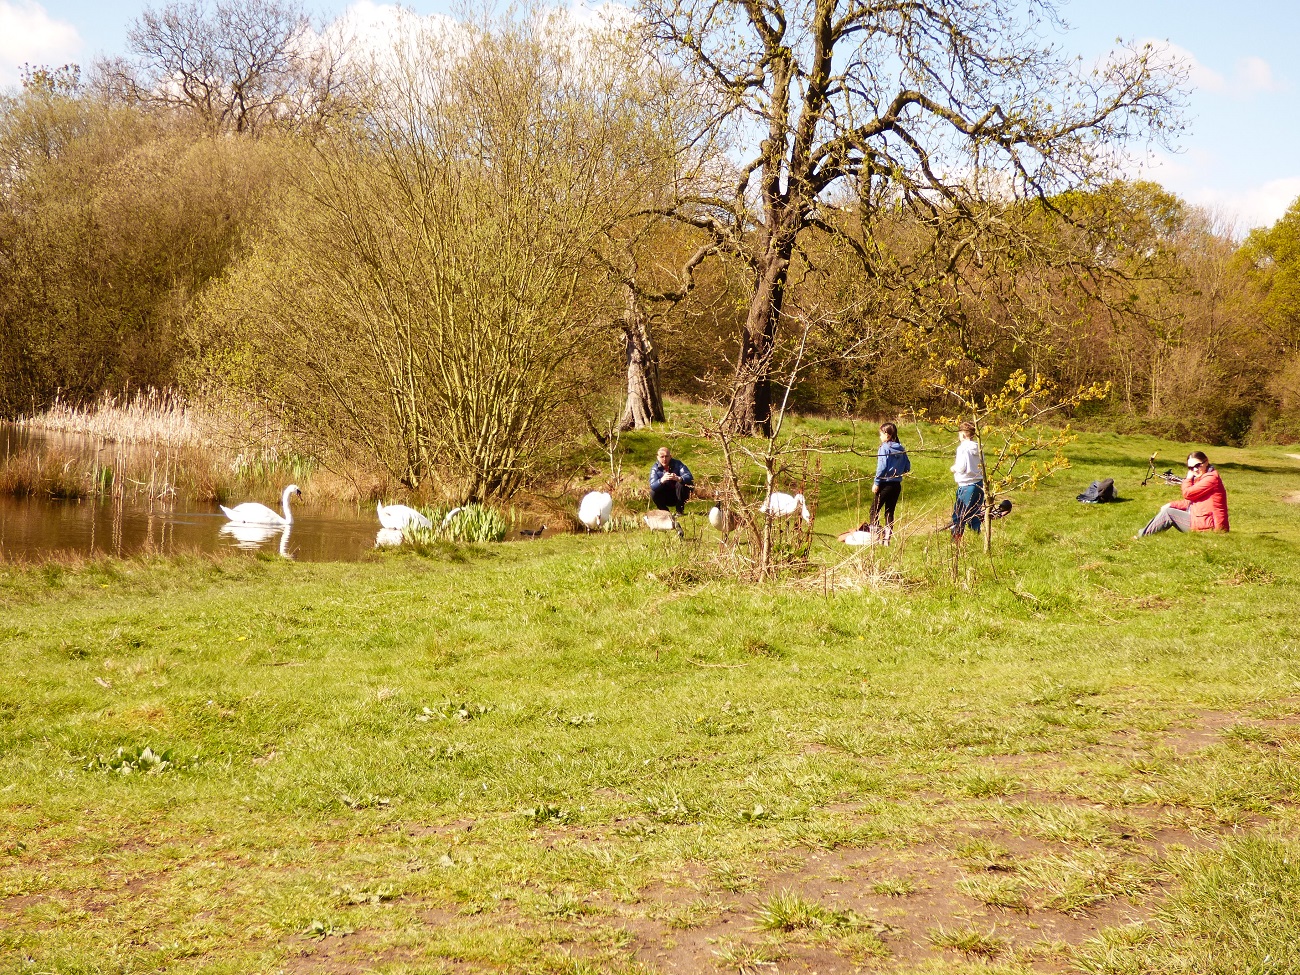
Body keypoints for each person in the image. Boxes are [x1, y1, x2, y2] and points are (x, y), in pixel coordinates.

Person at [1136, 451, 1229, 537]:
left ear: (1206, 462)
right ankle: (1143, 535)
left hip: (1211, 527)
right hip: (1205, 522)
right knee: (1168, 510)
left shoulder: (1211, 479)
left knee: (1168, 514)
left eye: (1198, 465)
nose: (1195, 469)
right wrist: (1171, 504)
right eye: (1191, 468)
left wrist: (1188, 479)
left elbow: (1188, 494)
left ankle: (1141, 537)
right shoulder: (1203, 477)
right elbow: (1191, 502)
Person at [869, 421, 910, 543]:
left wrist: (876, 482)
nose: (880, 437)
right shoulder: (901, 448)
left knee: (874, 510)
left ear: (887, 435)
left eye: (881, 434)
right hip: (896, 485)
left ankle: (876, 537)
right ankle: (887, 539)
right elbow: (908, 467)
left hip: (884, 483)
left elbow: (881, 467)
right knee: (889, 512)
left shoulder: (884, 448)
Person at [950, 421, 984, 539]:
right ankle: (976, 538)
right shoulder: (979, 447)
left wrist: (953, 469)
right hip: (979, 484)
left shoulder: (962, 448)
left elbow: (961, 467)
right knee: (974, 514)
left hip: (966, 485)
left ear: (963, 435)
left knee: (959, 515)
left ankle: (956, 542)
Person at [650, 445, 694, 514]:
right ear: (658, 458)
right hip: (666, 496)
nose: (664, 459)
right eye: (662, 457)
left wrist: (679, 478)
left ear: (670, 456)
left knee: (681, 484)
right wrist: (662, 480)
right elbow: (652, 485)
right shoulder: (655, 468)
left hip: (680, 495)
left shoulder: (678, 464)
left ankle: (680, 511)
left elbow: (689, 477)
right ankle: (665, 513)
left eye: (666, 456)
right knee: (653, 492)